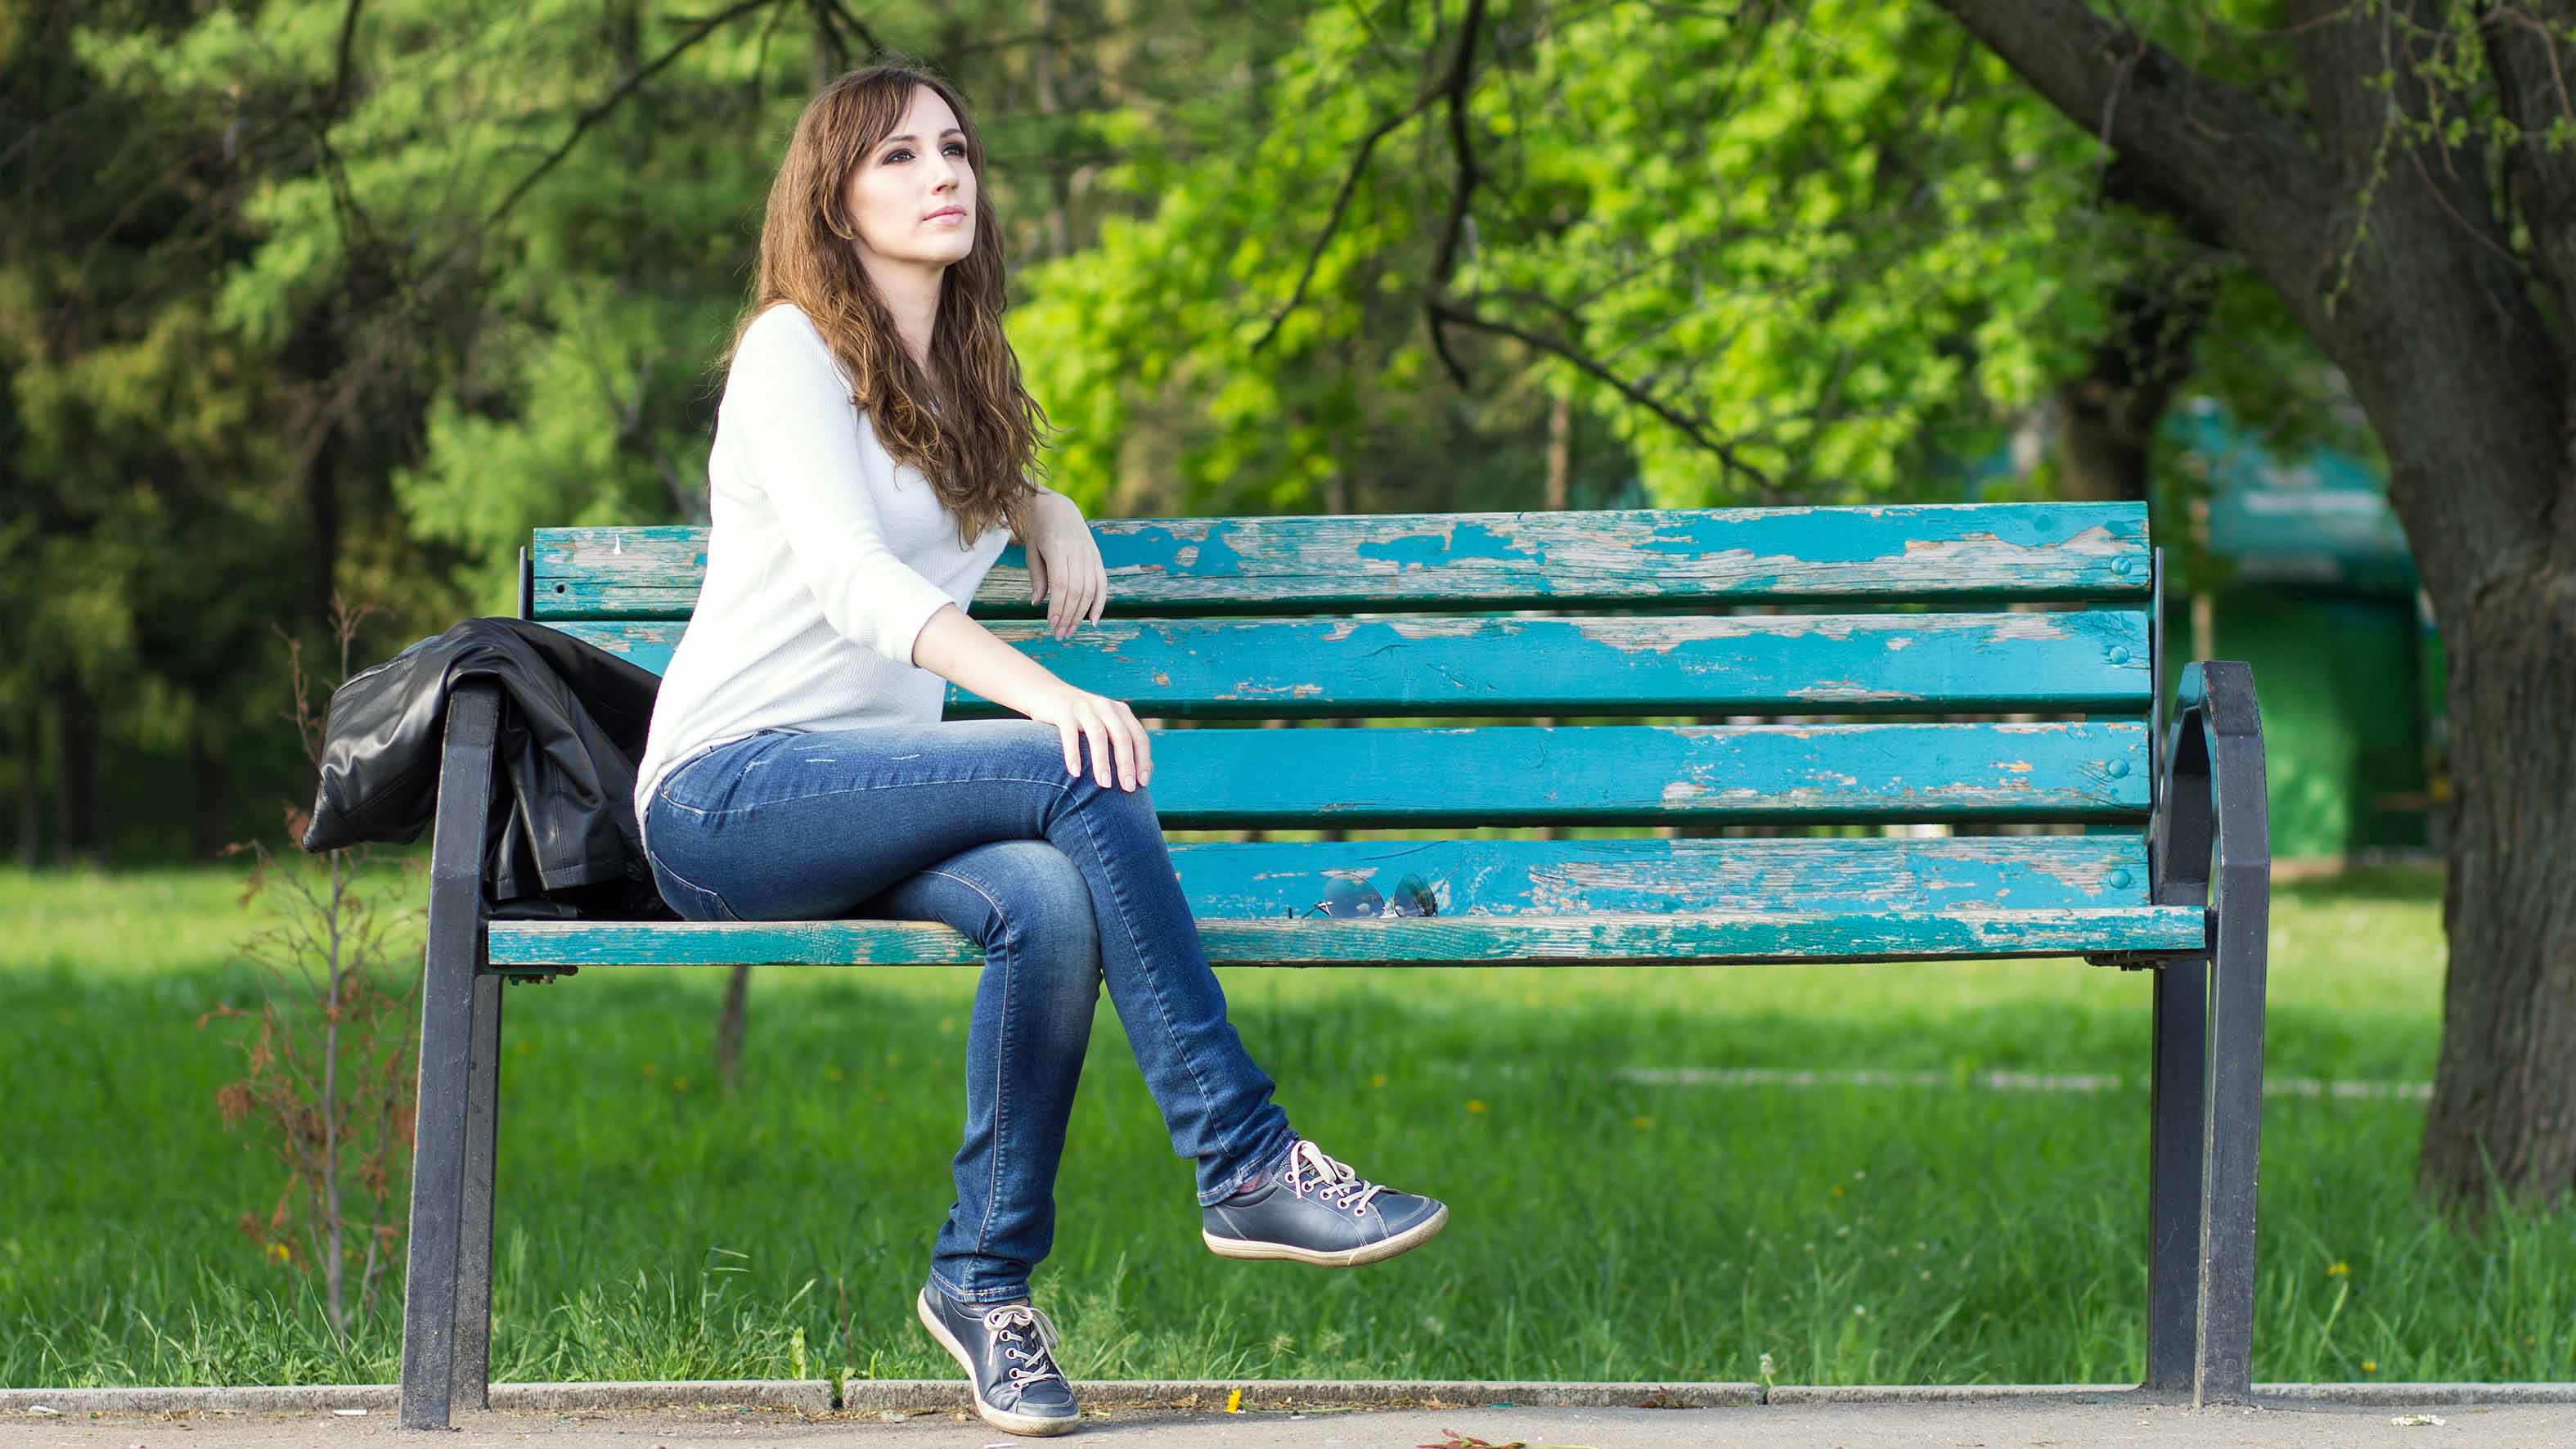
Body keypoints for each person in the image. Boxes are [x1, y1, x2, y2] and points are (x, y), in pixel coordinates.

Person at [631, 61, 1447, 1438]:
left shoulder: (962, 375)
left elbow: (939, 486)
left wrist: (1039, 495)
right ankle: (1245, 1160)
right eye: (894, 157)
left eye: (953, 148)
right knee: (1080, 761)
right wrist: (1038, 697)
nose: (940, 173)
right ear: (830, 200)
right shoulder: (788, 350)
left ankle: (980, 1279)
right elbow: (851, 579)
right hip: (733, 799)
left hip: (876, 808)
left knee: (1052, 903)